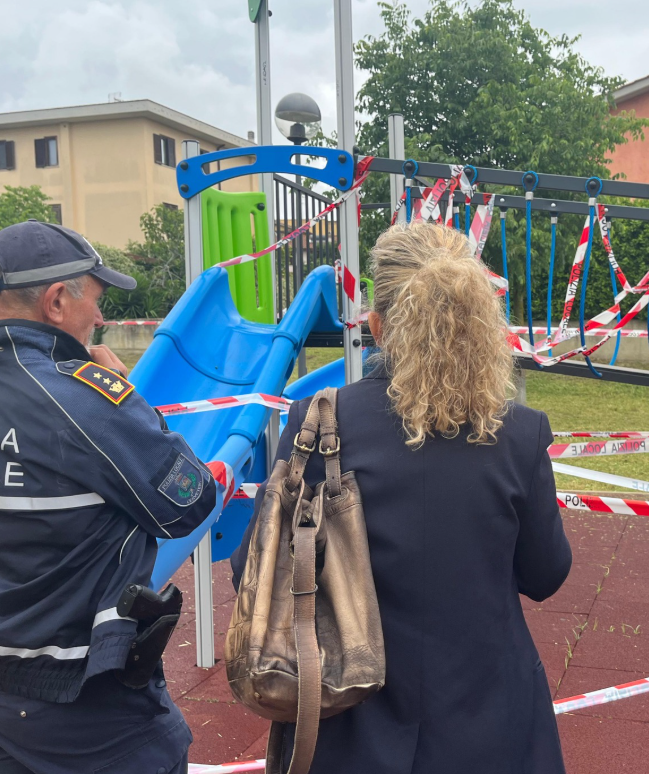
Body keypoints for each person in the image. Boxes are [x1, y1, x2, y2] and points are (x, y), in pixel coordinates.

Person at [231, 222, 573, 774]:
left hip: (347, 717)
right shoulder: (520, 432)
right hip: (490, 722)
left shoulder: (320, 421)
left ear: (376, 323)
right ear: (476, 324)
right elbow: (546, 574)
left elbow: (252, 565)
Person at [0, 220, 224, 774]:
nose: (100, 318)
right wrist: (131, 404)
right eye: (96, 301)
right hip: (84, 703)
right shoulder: (88, 403)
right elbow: (190, 500)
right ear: (56, 302)